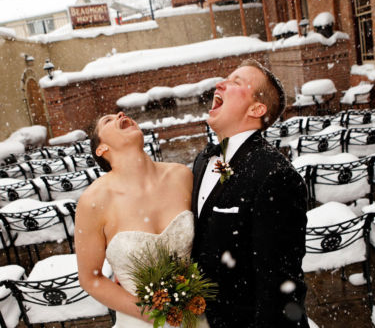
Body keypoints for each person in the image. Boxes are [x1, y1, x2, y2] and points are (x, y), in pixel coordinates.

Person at [191, 58, 309, 327]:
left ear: (257, 108)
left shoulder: (275, 176)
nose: (219, 83)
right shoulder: (202, 161)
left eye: (236, 82)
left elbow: (280, 286)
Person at [75, 112, 209, 327]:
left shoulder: (182, 176)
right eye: (107, 121)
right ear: (101, 149)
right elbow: (90, 278)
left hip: (195, 315)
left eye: (119, 113)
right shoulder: (93, 201)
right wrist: (150, 313)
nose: (120, 114)